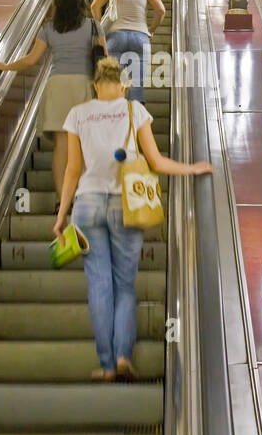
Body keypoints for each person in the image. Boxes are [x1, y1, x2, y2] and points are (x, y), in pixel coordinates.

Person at [56, 57, 212, 380]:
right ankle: (124, 356)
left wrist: (61, 216)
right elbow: (155, 161)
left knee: (99, 287)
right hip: (127, 205)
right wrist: (192, 168)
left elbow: (72, 170)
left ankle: (106, 365)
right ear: (123, 85)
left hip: (86, 205)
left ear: (96, 85)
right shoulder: (134, 110)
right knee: (124, 286)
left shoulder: (78, 115)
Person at [0, 0, 104, 202]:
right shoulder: (93, 26)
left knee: (62, 145)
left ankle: (63, 200)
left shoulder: (49, 28)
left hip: (57, 87)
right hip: (84, 86)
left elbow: (31, 60)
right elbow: (104, 60)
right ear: (81, 2)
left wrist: (6, 66)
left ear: (58, 4)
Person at [91, 0, 164, 102]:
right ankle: (135, 120)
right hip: (140, 37)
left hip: (115, 36)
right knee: (136, 87)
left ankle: (116, 119)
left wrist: (101, 27)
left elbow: (94, 6)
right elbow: (161, 10)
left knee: (114, 84)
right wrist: (151, 30)